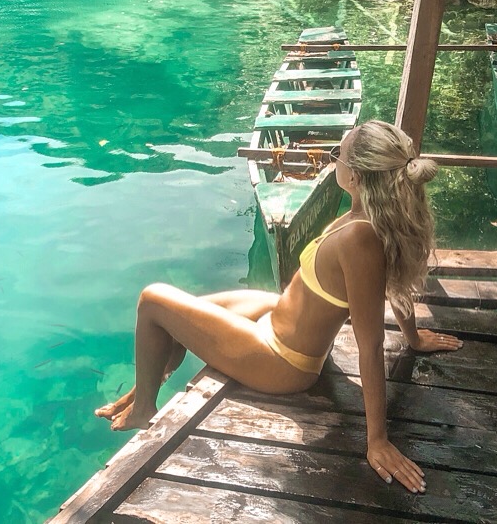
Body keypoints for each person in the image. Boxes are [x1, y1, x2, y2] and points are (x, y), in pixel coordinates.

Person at [95, 120, 462, 493]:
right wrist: (413, 338)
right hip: (278, 316)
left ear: (355, 175)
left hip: (282, 360)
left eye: (339, 155)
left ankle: (144, 409)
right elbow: (395, 283)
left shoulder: (360, 238)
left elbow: (369, 345)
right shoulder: (368, 215)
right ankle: (147, 388)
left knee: (152, 300)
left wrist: (377, 440)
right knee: (181, 314)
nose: (334, 161)